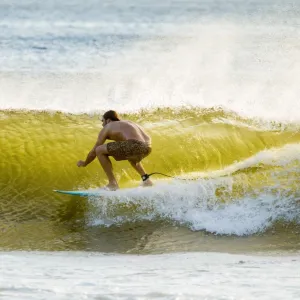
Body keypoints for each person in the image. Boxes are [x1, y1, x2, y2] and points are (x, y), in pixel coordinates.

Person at [77, 110, 153, 190]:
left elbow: (93, 152)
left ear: (108, 120)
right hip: (148, 146)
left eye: (103, 121)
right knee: (131, 155)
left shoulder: (108, 126)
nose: (102, 124)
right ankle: (146, 180)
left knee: (99, 150)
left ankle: (112, 183)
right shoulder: (129, 123)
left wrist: (85, 163)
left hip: (134, 145)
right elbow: (140, 142)